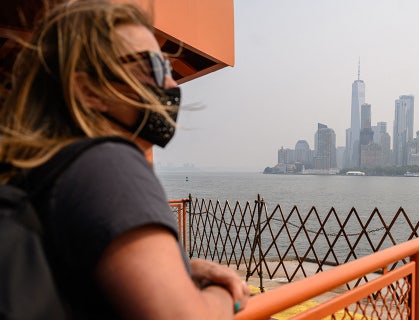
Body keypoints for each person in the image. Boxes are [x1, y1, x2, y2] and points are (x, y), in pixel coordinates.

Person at [0, 0, 249, 318]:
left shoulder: (39, 171)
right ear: (88, 89)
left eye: (168, 69)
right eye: (154, 68)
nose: (171, 84)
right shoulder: (108, 163)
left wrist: (185, 267)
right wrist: (226, 295)